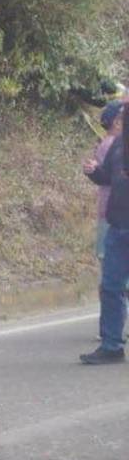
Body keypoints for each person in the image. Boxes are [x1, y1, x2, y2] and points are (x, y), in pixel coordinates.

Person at [82, 105, 129, 364]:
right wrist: (93, 171)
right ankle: (112, 345)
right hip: (117, 226)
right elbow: (107, 178)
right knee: (111, 287)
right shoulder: (118, 145)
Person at [93, 101, 123, 262]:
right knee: (110, 255)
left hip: (110, 208)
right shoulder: (113, 145)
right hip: (113, 209)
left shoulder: (108, 143)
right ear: (117, 123)